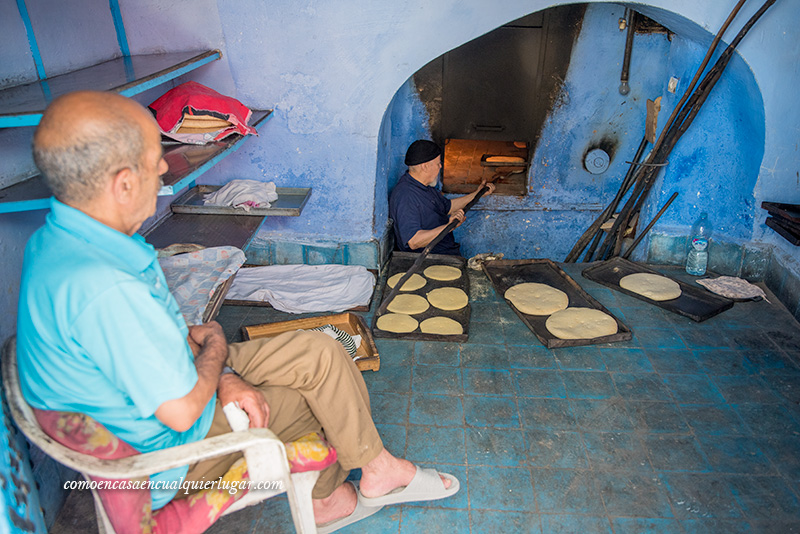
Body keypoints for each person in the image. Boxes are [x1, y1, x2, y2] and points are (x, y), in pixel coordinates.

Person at [16, 92, 457, 533]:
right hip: (165, 453)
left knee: (322, 353)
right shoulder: (103, 286)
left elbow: (151, 340)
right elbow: (182, 411)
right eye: (155, 159)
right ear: (124, 183)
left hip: (178, 374)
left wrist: (222, 372)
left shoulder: (64, 238)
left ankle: (377, 467)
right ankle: (327, 502)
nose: (166, 168)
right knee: (309, 402)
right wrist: (216, 352)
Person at [389, 139, 495, 256]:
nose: (440, 166)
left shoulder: (425, 187)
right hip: (429, 260)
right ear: (425, 166)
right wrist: (448, 227)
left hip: (445, 252)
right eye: (438, 163)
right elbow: (414, 241)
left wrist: (477, 194)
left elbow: (447, 207)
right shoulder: (406, 196)